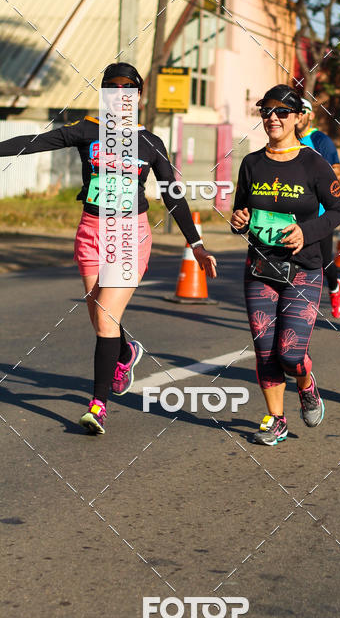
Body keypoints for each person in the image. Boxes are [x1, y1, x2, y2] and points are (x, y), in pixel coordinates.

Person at [0, 63, 217, 435]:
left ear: (138, 95)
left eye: (128, 88)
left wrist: (195, 243)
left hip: (130, 235)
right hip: (90, 230)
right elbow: (35, 142)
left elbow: (173, 195)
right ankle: (125, 352)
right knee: (99, 312)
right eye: (112, 87)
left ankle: (97, 406)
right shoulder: (88, 130)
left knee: (103, 318)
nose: (120, 94)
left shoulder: (150, 143)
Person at [231, 84, 340, 446]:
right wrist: (237, 221)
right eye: (267, 111)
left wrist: (305, 231)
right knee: (265, 350)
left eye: (282, 112)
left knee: (291, 354)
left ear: (299, 118)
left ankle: (305, 381)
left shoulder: (314, 162)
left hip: (304, 268)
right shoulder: (251, 163)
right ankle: (276, 419)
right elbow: (241, 213)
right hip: (260, 269)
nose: (273, 118)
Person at [297, 98, 340, 318]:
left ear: (310, 115)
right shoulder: (287, 140)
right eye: (294, 112)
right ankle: (300, 305)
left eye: (302, 112)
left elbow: (338, 173)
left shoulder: (320, 140)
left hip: (320, 213)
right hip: (293, 212)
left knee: (324, 261)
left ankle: (335, 288)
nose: (298, 116)